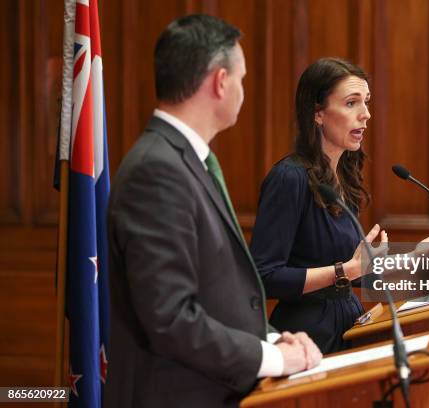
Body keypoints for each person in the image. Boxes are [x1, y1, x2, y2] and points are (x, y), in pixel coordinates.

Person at [104, 14, 321, 408]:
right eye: (241, 79)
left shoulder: (187, 161)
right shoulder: (157, 171)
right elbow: (170, 317)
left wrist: (274, 339)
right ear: (220, 82)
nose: (242, 90)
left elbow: (215, 291)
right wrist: (273, 358)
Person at [250, 57, 429, 354]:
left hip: (348, 323)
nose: (366, 115)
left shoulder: (342, 179)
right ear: (318, 113)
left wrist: (416, 256)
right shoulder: (289, 178)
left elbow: (358, 271)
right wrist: (344, 270)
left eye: (366, 102)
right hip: (306, 340)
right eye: (351, 103)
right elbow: (264, 277)